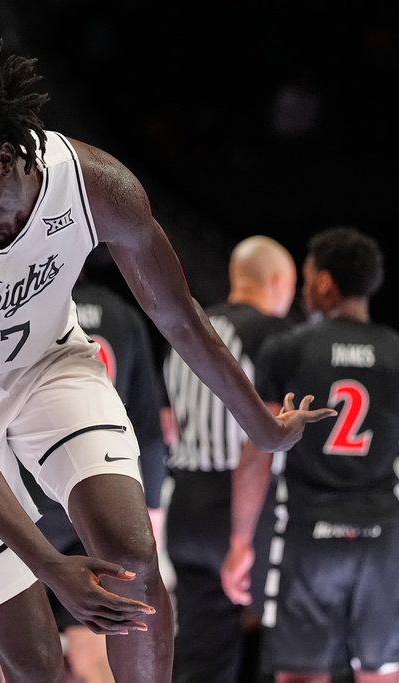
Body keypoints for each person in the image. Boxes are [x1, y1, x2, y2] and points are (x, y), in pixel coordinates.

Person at [0, 32, 334, 683]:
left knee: (133, 559)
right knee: (36, 663)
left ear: (6, 158)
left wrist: (258, 419)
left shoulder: (96, 187)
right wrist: (48, 563)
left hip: (47, 361)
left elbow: (178, 314)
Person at [221, 226, 399, 683]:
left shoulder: (285, 351)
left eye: (310, 278)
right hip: (381, 539)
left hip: (308, 536)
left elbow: (258, 454)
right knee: (379, 675)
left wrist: (240, 543)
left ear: (326, 284)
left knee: (299, 676)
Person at [20, 255, 171, 682]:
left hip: (25, 500)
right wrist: (151, 516)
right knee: (96, 657)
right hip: (100, 501)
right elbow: (152, 429)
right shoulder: (123, 317)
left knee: (17, 655)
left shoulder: (18, 305)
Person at [161, 234, 297, 683]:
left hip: (185, 504)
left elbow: (168, 425)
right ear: (279, 281)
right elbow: (275, 431)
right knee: (284, 645)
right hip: (243, 505)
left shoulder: (186, 327)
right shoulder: (271, 334)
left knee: (202, 656)